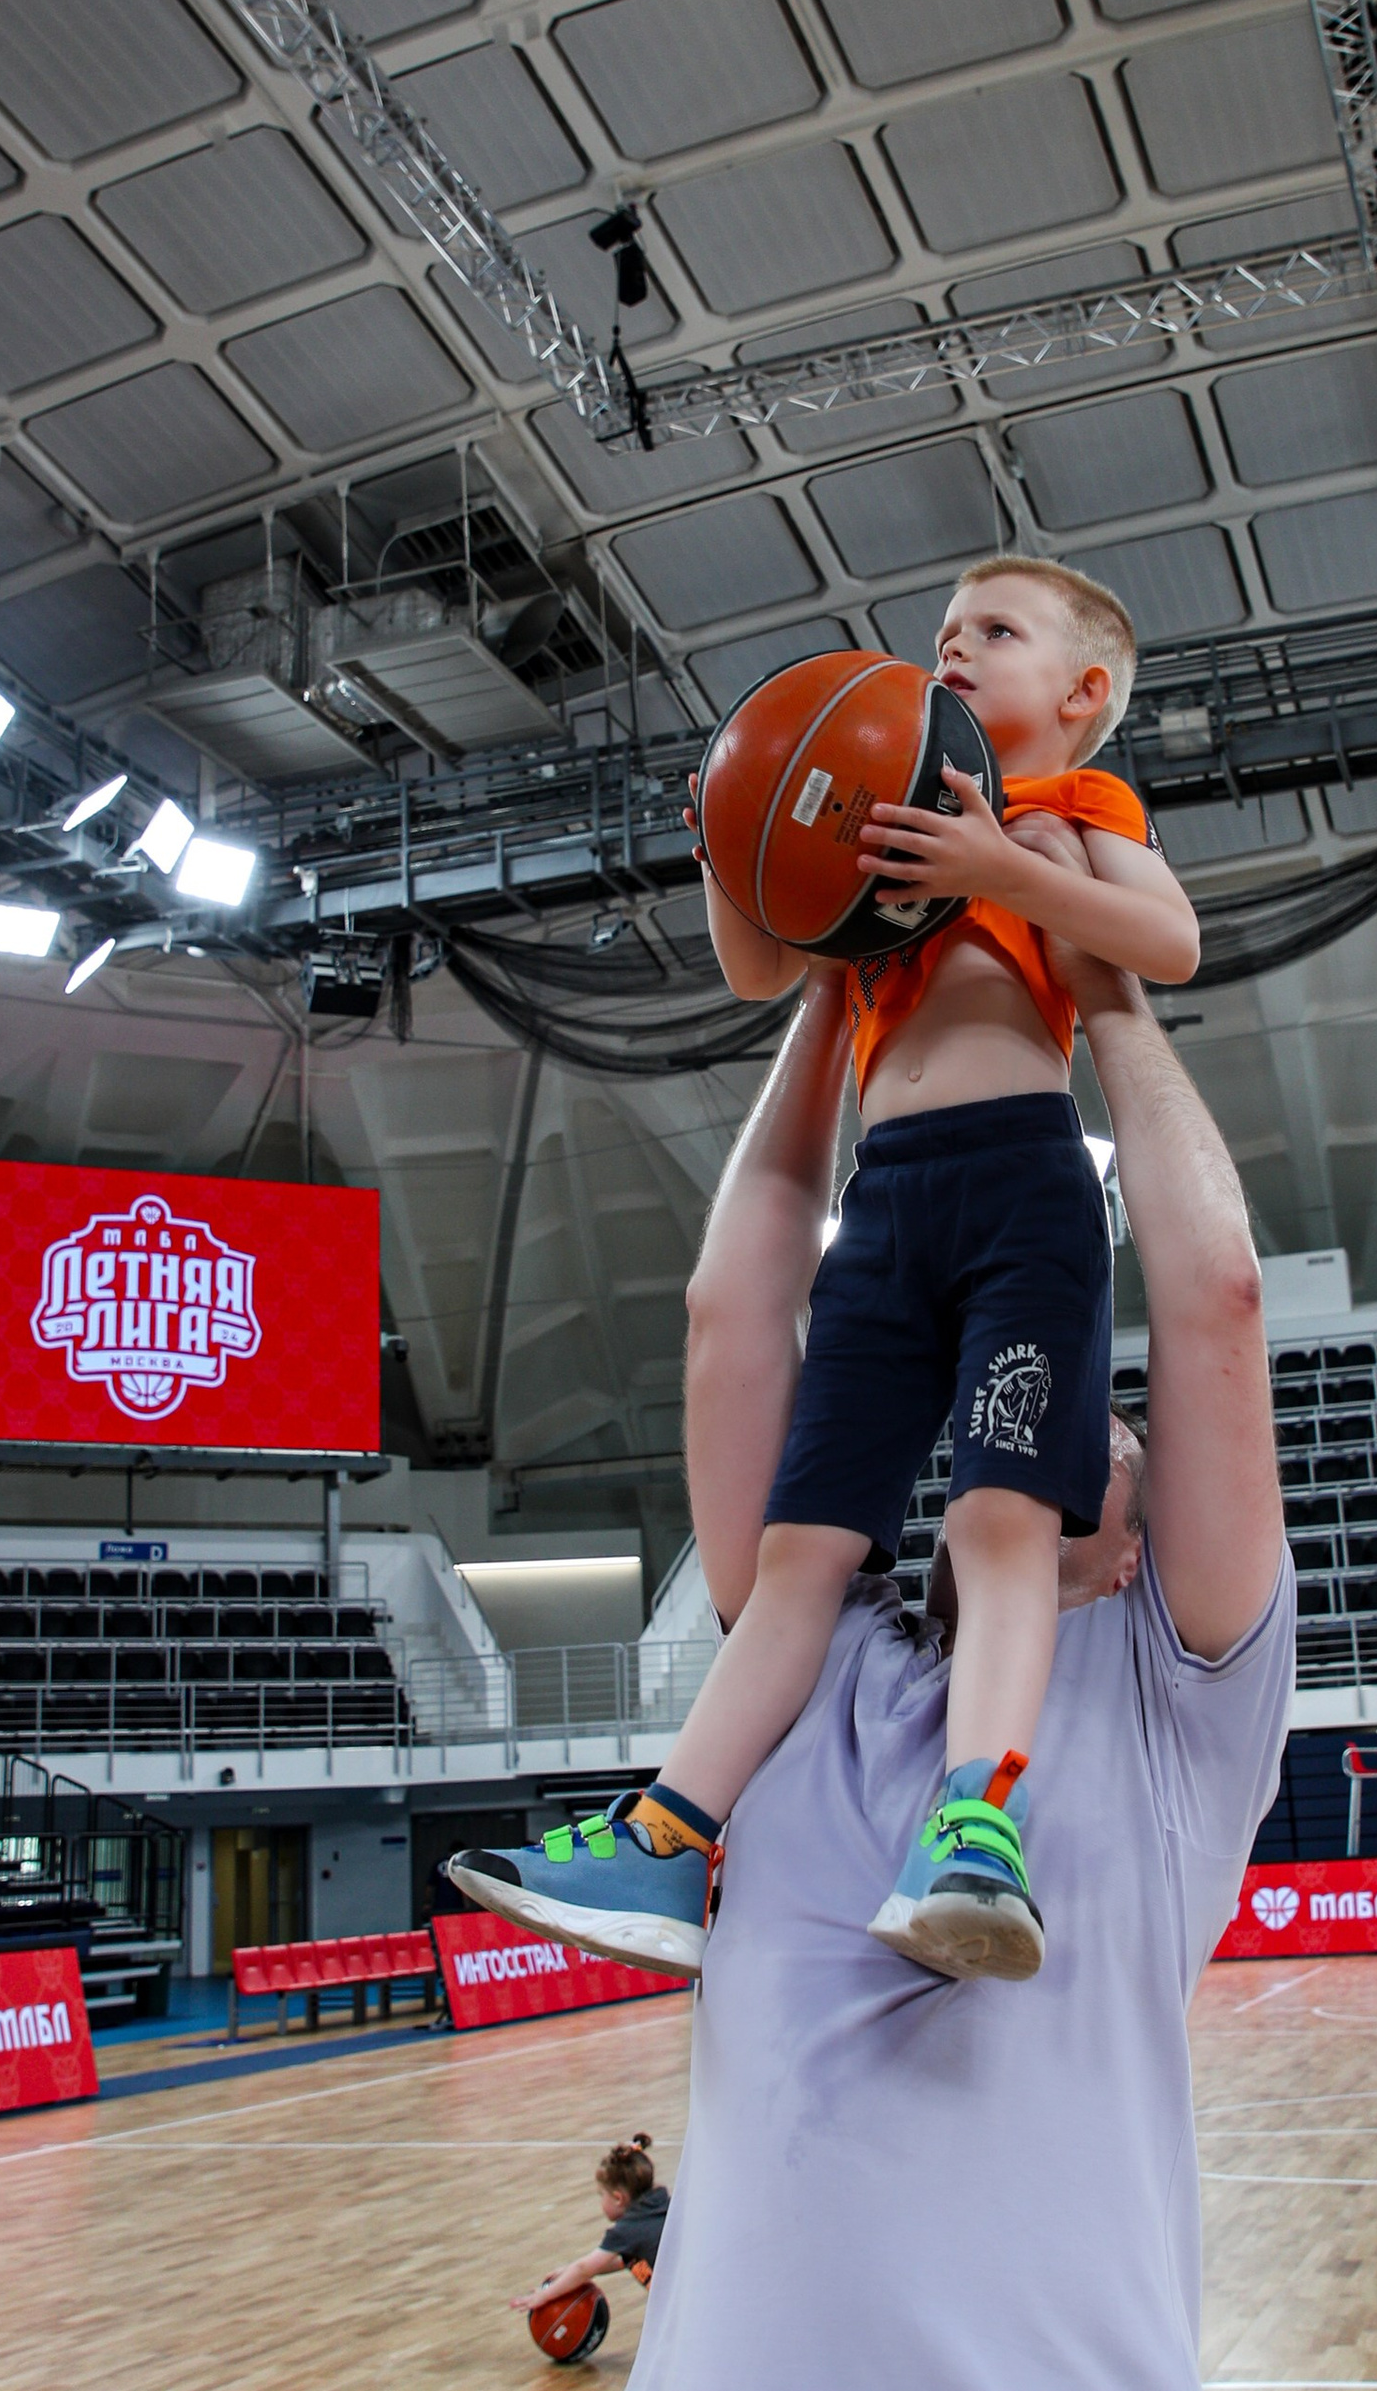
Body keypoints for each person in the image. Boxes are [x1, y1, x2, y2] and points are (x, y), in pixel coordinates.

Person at [591, 949, 1289, 2391]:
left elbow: (1214, 1300)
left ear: (1147, 1515)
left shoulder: (1174, 1709)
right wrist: (844, 1002)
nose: (1091, 1428)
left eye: (1118, 1427)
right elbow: (736, 1307)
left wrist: (1104, 994)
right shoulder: (790, 1693)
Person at [452, 557, 1202, 1987]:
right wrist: (733, 847)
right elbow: (757, 969)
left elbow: (1168, 938)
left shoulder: (1073, 810)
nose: (956, 647)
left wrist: (1002, 871)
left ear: (1082, 692)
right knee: (801, 1553)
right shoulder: (877, 838)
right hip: (887, 1208)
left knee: (997, 1525)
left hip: (1026, 1183)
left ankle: (979, 1825)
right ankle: (671, 1840)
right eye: (945, 633)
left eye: (995, 632)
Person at [513, 2133, 671, 2320]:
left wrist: (543, 2296)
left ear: (618, 2198)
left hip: (684, 2300)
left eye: (601, 2195)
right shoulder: (663, 2204)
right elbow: (622, 2261)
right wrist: (568, 2271)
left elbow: (585, 2268)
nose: (601, 2201)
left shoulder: (627, 2230)